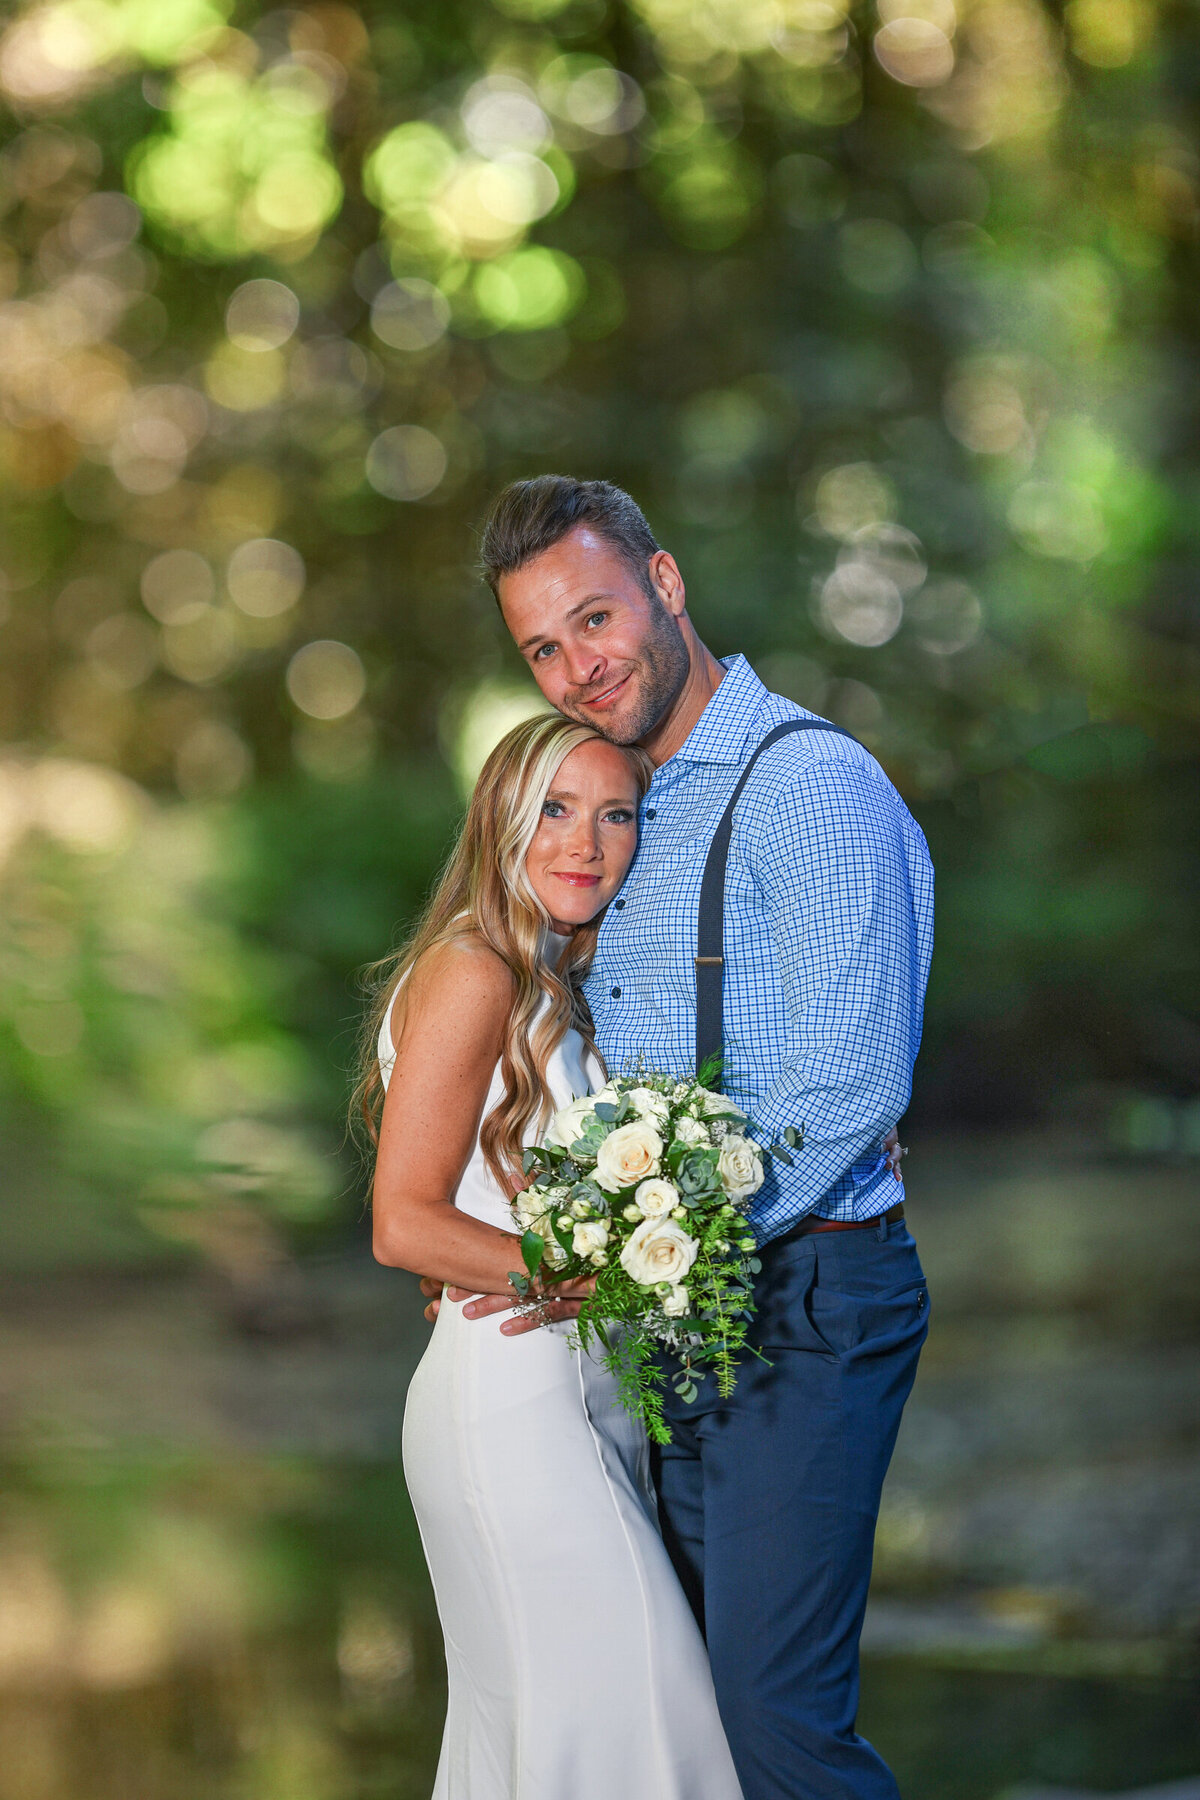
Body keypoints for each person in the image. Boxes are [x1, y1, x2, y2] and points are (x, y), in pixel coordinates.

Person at [427, 476, 934, 1800]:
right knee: (698, 1716)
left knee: (779, 1726)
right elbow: (566, 1066)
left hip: (804, 1287)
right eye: (541, 647)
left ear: (666, 586)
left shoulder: (807, 784)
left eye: (595, 618)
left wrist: (648, 1258)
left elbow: (844, 1089)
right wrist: (499, 1232)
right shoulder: (621, 805)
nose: (576, 667)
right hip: (676, 1310)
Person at [357, 711, 746, 1800]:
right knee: (652, 1739)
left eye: (616, 813)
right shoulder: (475, 971)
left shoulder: (562, 986)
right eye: (557, 812)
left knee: (559, 1757)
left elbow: (493, 1212)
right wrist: (598, 1278)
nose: (586, 842)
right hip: (512, 1421)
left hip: (585, 1410)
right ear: (503, 823)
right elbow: (404, 1223)